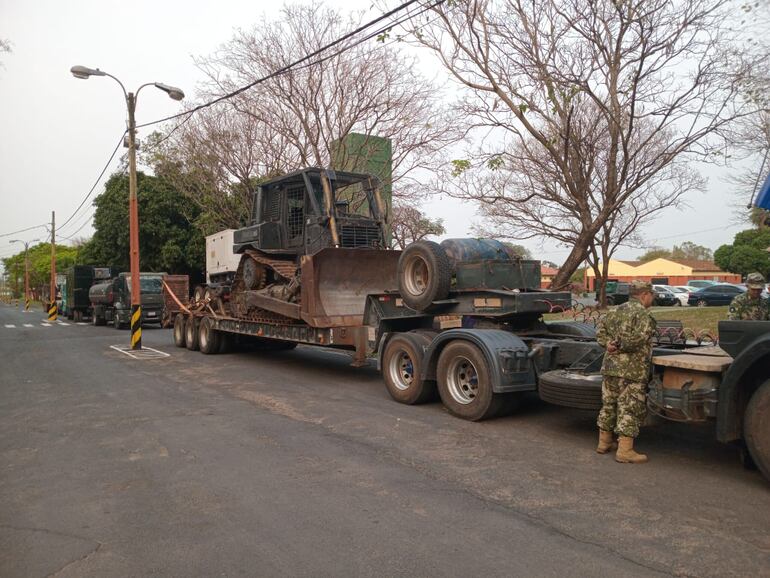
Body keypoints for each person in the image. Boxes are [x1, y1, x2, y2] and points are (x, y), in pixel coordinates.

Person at [595, 280, 657, 463]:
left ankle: (604, 443)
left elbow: (600, 332)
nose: (651, 299)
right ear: (645, 295)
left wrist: (610, 345)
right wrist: (621, 345)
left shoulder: (615, 311)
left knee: (609, 404)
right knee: (629, 407)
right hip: (632, 370)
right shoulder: (643, 314)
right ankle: (625, 451)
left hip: (611, 367)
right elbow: (639, 338)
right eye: (651, 295)